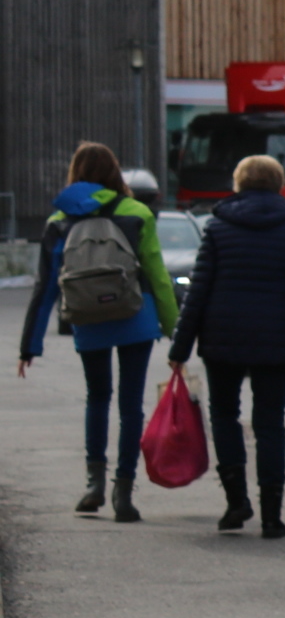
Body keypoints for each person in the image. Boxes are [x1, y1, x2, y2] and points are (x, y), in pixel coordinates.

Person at [165, 154, 285, 540]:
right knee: (270, 423)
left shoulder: (218, 228)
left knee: (224, 416)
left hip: (223, 338)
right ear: (280, 185)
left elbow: (198, 292)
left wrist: (179, 349)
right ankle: (272, 516)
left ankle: (236, 503)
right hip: (277, 340)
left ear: (239, 184)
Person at [16, 142, 181, 522]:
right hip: (135, 317)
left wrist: (30, 345)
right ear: (114, 173)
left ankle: (94, 485)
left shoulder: (60, 219)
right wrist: (177, 333)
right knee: (130, 404)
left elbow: (46, 287)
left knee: (97, 397)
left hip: (87, 317)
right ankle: (124, 492)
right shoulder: (137, 213)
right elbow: (157, 275)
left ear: (76, 173)